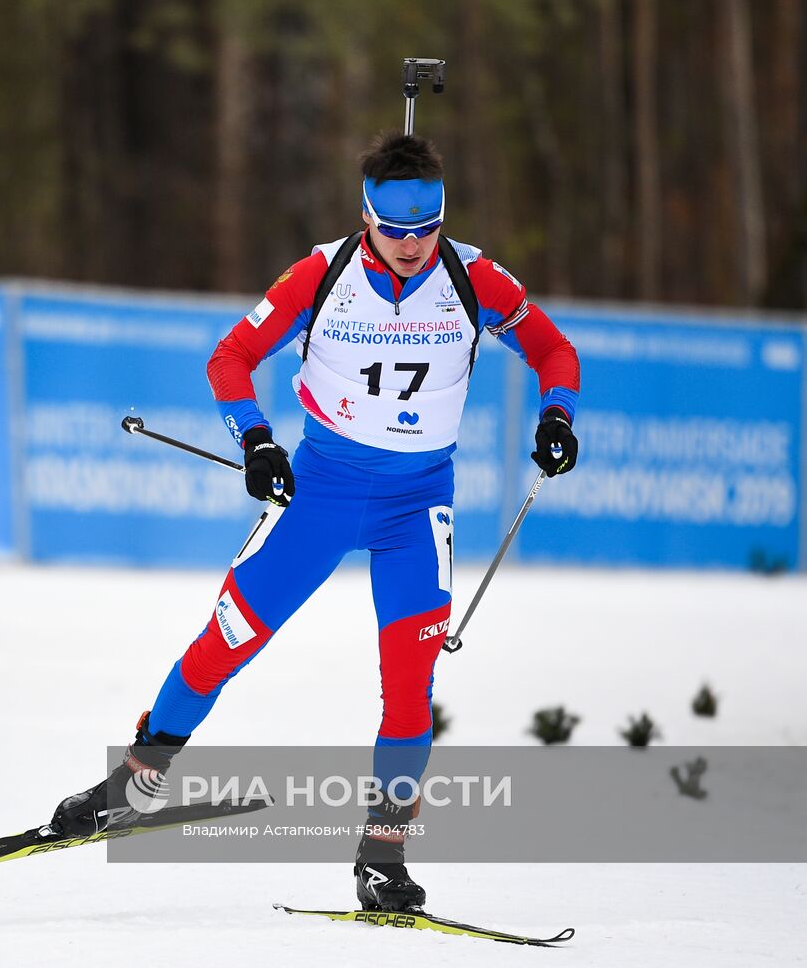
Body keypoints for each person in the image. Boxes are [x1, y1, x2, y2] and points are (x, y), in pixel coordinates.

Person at [50, 133, 580, 913]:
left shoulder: (474, 279)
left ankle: (382, 852)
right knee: (228, 638)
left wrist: (558, 415)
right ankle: (137, 780)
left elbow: (553, 350)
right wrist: (257, 441)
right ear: (365, 217)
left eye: (425, 229)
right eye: (394, 230)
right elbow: (230, 358)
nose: (410, 246)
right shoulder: (321, 273)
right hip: (321, 493)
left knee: (409, 689)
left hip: (416, 504)